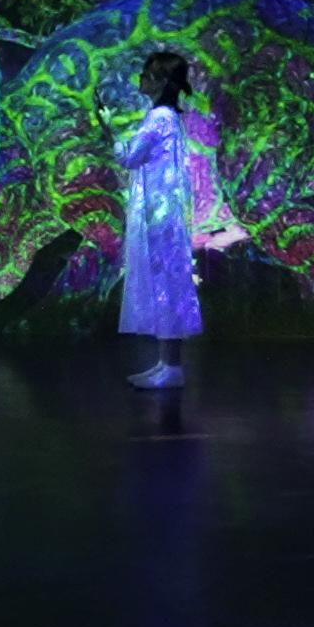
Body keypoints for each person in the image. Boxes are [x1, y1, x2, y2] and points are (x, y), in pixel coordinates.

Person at [113, 51, 206, 388]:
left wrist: (109, 130)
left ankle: (172, 367)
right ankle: (166, 363)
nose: (141, 79)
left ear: (161, 82)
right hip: (163, 212)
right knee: (165, 282)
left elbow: (129, 157)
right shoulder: (166, 117)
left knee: (167, 283)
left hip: (160, 215)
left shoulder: (159, 118)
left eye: (148, 74)